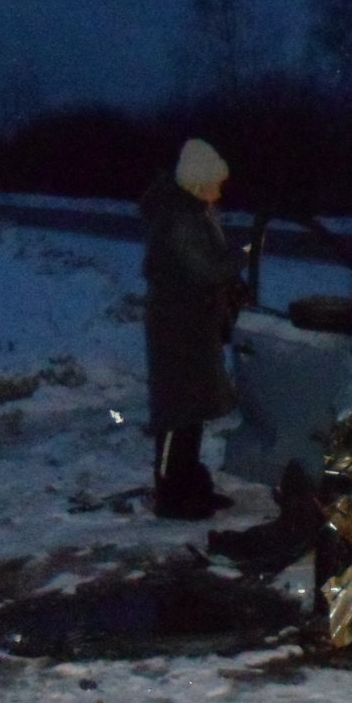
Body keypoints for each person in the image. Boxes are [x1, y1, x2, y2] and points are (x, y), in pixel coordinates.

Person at [139, 138, 243, 519]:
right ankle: (170, 493)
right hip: (175, 326)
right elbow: (207, 269)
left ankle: (191, 485)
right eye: (216, 182)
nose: (220, 189)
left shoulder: (195, 212)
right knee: (176, 411)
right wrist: (237, 258)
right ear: (198, 182)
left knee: (192, 408)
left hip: (192, 323)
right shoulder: (180, 218)